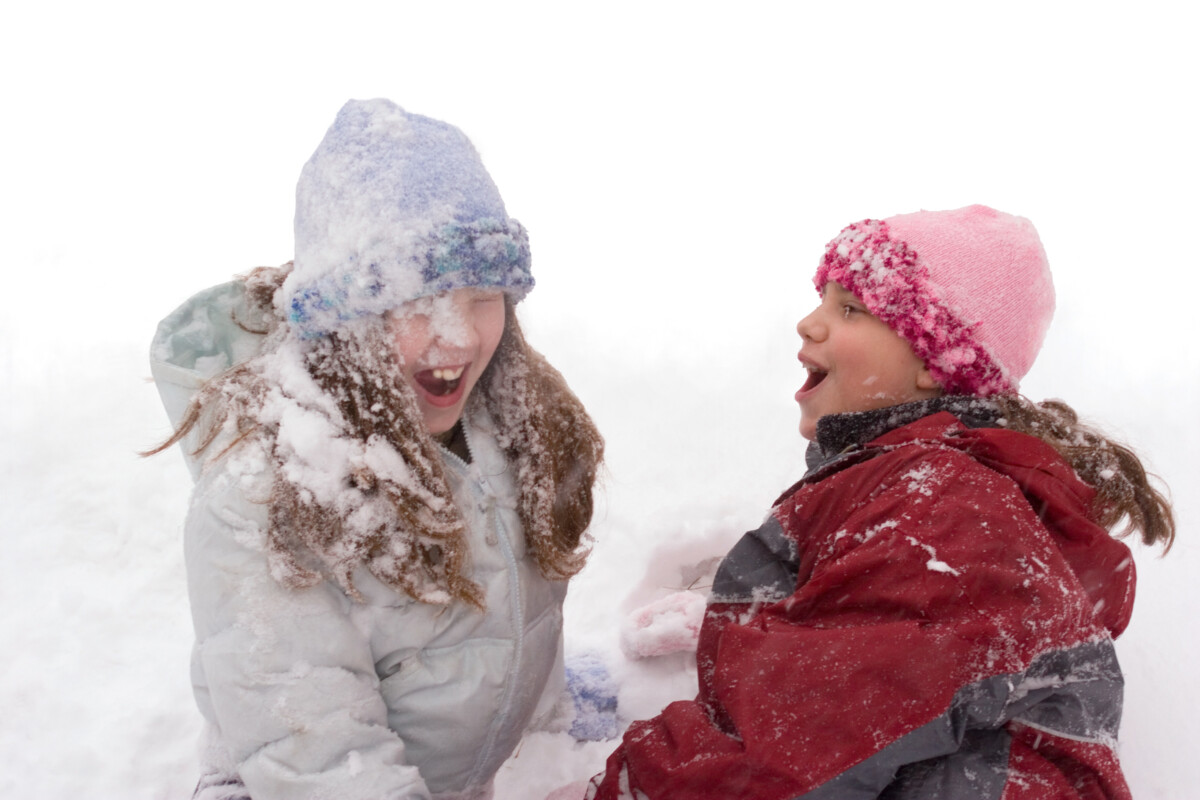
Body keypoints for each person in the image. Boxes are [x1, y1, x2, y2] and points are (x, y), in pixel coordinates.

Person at [585, 205, 1173, 799]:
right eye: (822, 300)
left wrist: (620, 787)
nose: (809, 325)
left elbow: (776, 759)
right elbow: (884, 656)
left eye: (850, 310)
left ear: (933, 362)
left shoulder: (942, 510)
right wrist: (762, 620)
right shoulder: (924, 491)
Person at [148, 98, 604, 800]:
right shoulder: (262, 498)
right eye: (412, 300)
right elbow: (322, 761)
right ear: (340, 318)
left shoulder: (519, 420)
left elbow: (523, 611)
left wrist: (546, 732)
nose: (456, 335)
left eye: (482, 293)